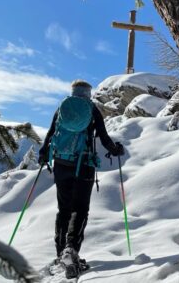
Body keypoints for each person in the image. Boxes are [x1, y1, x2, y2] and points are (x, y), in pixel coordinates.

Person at [38, 80, 124, 278]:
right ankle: (71, 249)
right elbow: (103, 137)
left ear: (73, 90)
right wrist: (116, 150)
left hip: (61, 163)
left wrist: (44, 153)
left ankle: (61, 252)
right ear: (88, 92)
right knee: (80, 209)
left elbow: (51, 133)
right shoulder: (91, 109)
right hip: (83, 164)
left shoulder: (62, 107)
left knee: (64, 209)